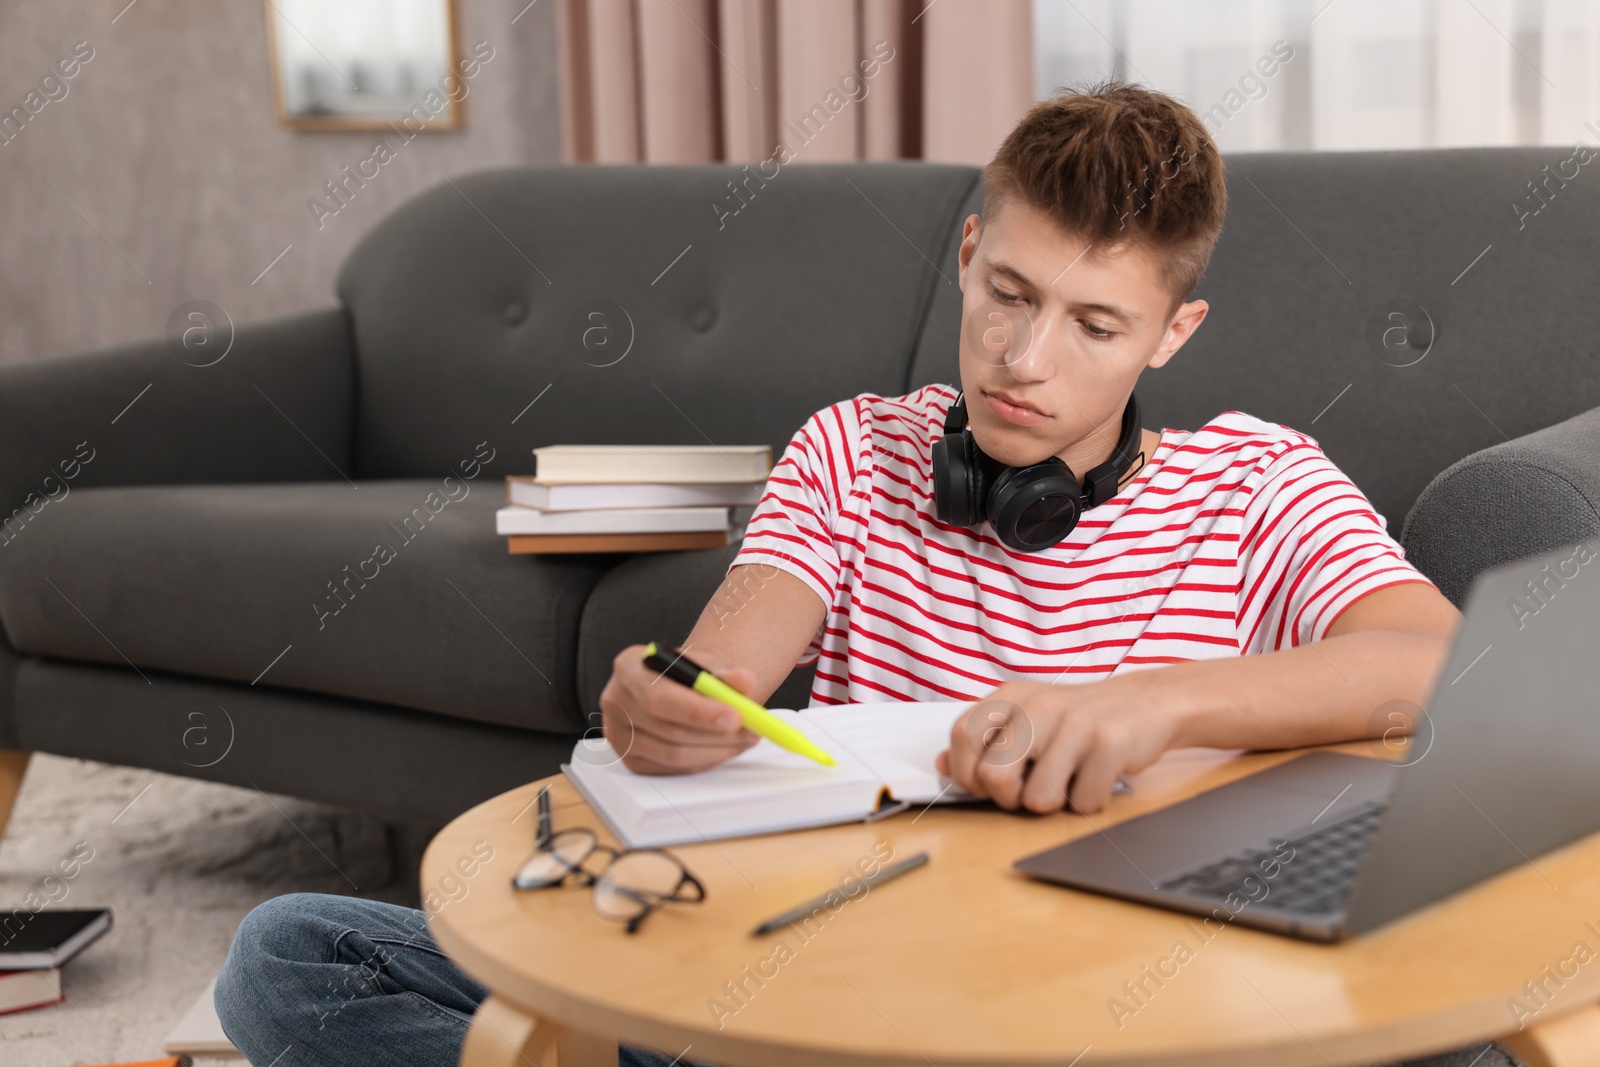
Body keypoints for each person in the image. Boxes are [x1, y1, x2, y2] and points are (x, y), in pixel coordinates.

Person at [214, 81, 1494, 1067]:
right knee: (289, 954)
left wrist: (1154, 700)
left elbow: (1435, 661)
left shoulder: (1257, 481)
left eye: (1094, 325)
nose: (1024, 358)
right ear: (967, 252)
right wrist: (671, 706)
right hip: (815, 996)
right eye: (1006, 291)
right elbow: (725, 666)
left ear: (1173, 331)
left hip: (1102, 1016)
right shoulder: (851, 448)